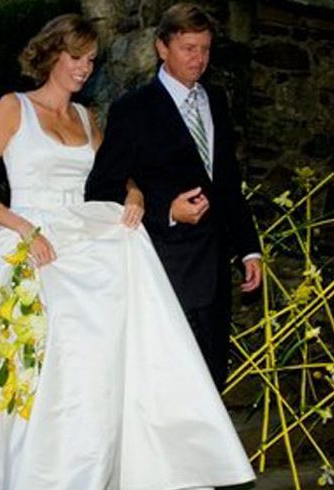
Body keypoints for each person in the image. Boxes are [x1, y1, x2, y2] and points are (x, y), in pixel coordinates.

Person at [0, 14, 255, 490]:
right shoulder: (13, 107)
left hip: (80, 238)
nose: (85, 69)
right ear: (51, 55)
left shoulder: (87, 117)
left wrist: (137, 194)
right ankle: (31, 455)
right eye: (76, 58)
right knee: (50, 335)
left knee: (110, 322)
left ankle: (104, 452)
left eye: (91, 61)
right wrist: (23, 229)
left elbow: (113, 174)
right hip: (26, 237)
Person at [85, 3, 262, 390]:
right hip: (166, 269)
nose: (200, 59)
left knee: (212, 381)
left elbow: (228, 182)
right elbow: (100, 189)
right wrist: (166, 211)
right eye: (189, 49)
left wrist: (249, 250)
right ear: (162, 48)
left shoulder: (215, 100)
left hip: (215, 270)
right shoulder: (132, 110)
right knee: (173, 388)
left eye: (206, 49)